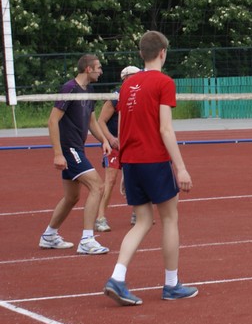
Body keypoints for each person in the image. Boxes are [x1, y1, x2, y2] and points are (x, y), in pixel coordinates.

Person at [103, 31, 197, 306]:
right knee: (169, 219)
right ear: (163, 53)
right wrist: (180, 167)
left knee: (143, 221)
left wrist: (121, 165)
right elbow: (165, 128)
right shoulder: (163, 82)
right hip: (153, 160)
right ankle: (171, 285)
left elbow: (122, 127)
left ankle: (117, 277)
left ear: (141, 54)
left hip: (131, 162)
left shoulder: (128, 85)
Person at [40, 54, 112, 255]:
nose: (101, 71)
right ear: (88, 69)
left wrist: (104, 140)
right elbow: (52, 121)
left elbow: (91, 122)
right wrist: (57, 154)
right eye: (98, 67)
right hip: (69, 149)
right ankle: (87, 240)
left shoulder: (89, 90)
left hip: (77, 148)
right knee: (97, 186)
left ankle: (49, 236)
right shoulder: (69, 88)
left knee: (72, 197)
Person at [95, 65, 141, 233]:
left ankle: (137, 213)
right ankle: (100, 217)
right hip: (114, 145)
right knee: (111, 179)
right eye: (135, 76)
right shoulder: (115, 97)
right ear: (126, 78)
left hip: (131, 144)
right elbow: (100, 121)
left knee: (136, 179)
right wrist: (111, 139)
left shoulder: (137, 96)